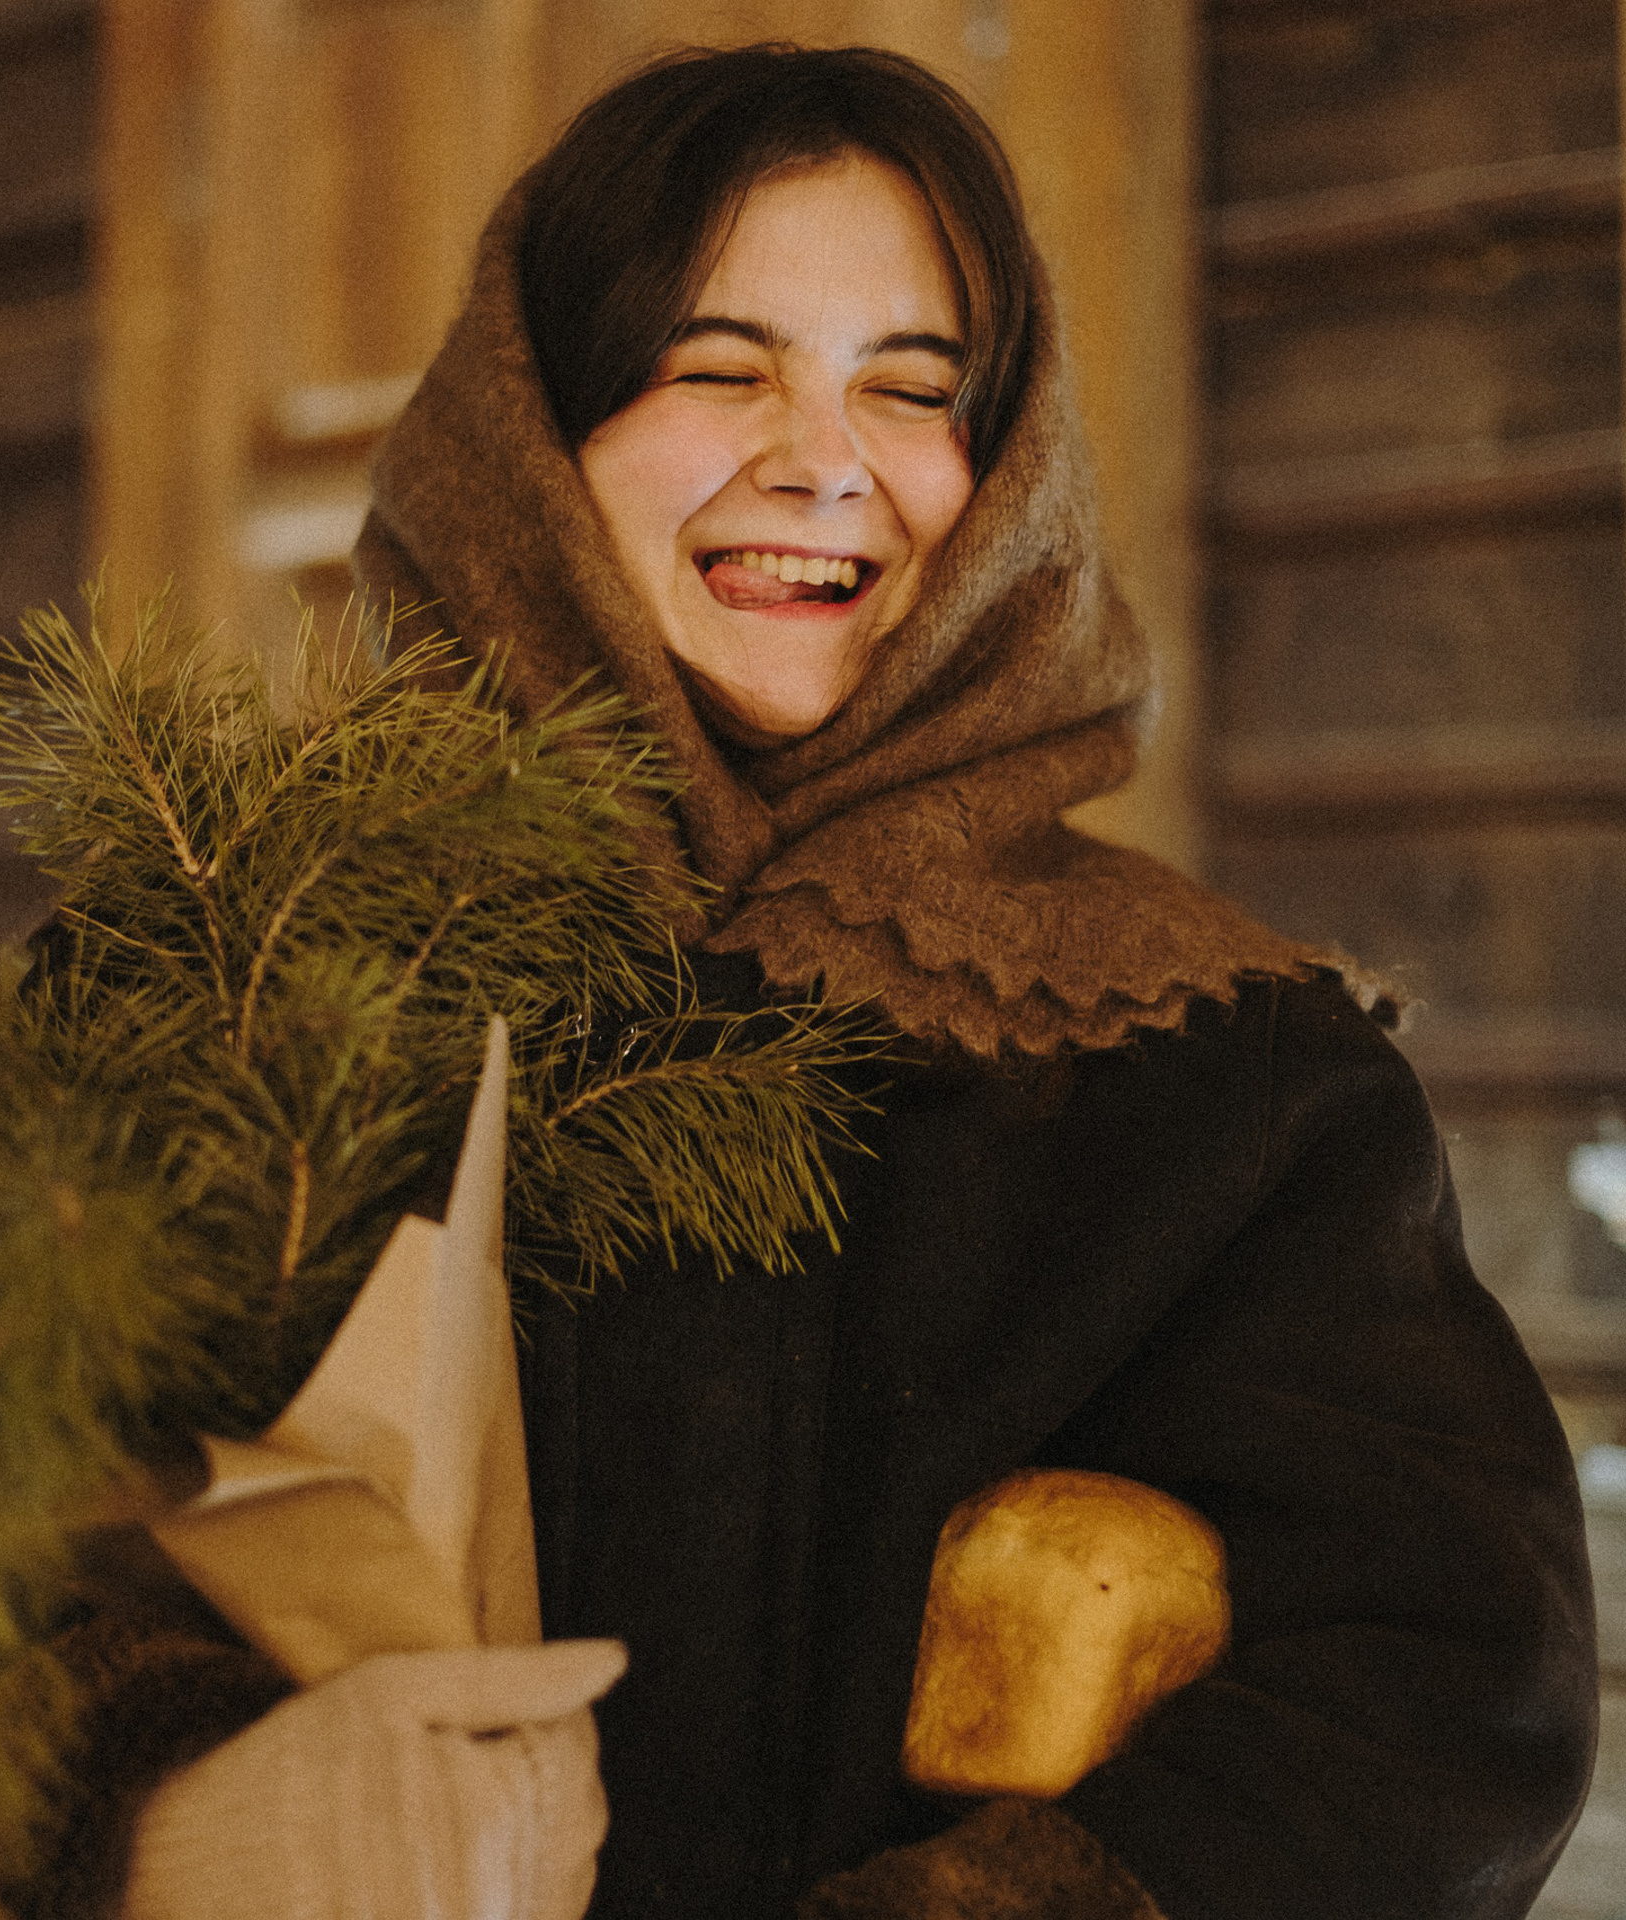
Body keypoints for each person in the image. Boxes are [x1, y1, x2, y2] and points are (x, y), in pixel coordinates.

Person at [344, 40, 1598, 1920]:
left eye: (913, 390)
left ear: (1003, 476)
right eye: (718, 366)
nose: (822, 460)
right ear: (525, 433)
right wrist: (189, 1819)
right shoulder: (245, 960)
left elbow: (1438, 1680)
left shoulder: (1227, 1076)